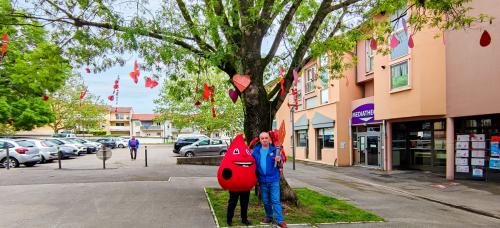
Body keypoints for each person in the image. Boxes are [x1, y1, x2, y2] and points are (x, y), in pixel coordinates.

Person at [252, 132, 286, 228]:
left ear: (269, 139)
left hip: (274, 180)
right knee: (266, 201)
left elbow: (281, 165)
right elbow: (251, 164)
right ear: (260, 140)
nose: (264, 140)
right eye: (262, 138)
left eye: (266, 138)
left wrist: (279, 160)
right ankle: (269, 217)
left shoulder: (275, 150)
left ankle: (280, 220)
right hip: (262, 180)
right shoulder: (255, 151)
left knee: (275, 200)